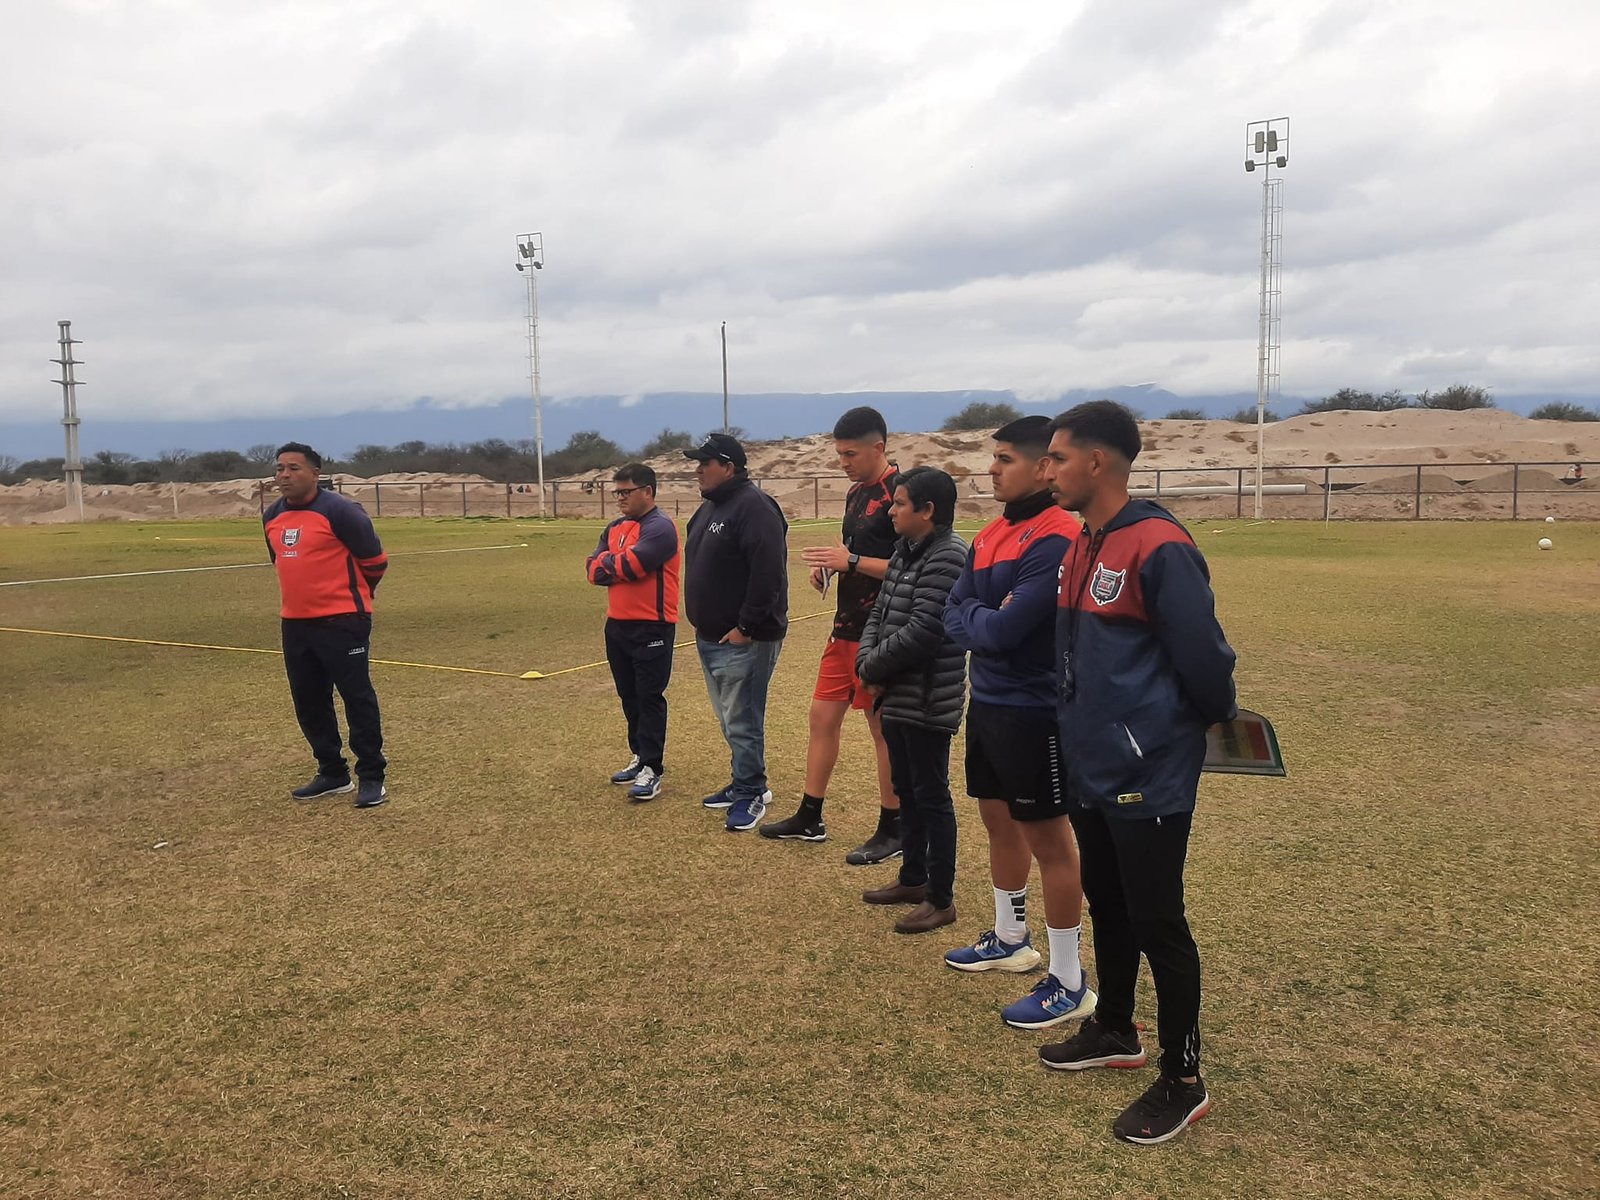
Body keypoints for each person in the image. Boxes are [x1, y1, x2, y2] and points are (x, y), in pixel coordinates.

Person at [1037, 401, 1237, 1146]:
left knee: (1158, 917)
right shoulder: (1084, 540)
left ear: (1098, 463)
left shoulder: (1159, 545)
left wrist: (1189, 725)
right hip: (1091, 759)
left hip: (1145, 764)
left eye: (1057, 458)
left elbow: (1206, 660)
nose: (1047, 469)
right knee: (1108, 899)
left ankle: (1184, 1079)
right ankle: (1116, 1028)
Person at [941, 417, 1096, 1030]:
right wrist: (983, 616)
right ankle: (1011, 939)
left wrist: (981, 618)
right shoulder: (986, 535)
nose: (992, 469)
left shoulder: (1058, 536)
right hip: (990, 704)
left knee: (1051, 842)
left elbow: (1006, 631)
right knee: (997, 820)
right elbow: (954, 615)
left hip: (1036, 710)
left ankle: (1069, 979)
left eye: (1004, 459)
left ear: (1042, 467)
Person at [760, 405, 902, 864]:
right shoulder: (856, 493)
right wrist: (830, 569)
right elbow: (855, 554)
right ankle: (810, 814)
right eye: (839, 454)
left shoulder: (903, 493)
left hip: (881, 633)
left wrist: (853, 563)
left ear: (878, 447)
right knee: (821, 720)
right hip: (843, 629)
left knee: (882, 732)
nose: (842, 462)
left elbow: (912, 570)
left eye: (851, 454)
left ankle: (893, 826)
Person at [856, 467, 968, 934]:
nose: (891, 509)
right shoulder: (904, 550)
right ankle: (912, 879)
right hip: (897, 693)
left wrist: (873, 668)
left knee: (931, 794)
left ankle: (941, 898)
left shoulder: (949, 555)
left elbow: (926, 630)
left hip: (926, 699)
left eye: (900, 503)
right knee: (908, 791)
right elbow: (880, 613)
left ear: (928, 510)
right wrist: (868, 663)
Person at [263, 442, 390, 809]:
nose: (284, 475)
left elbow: (375, 562)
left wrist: (355, 601)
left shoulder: (341, 512)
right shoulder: (272, 516)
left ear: (315, 474)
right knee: (309, 700)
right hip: (295, 623)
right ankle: (333, 773)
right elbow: (282, 564)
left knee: (356, 697)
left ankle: (372, 776)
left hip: (343, 621)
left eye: (293, 468)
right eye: (280, 468)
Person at [682, 433, 789, 832]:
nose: (697, 469)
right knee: (730, 719)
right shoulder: (710, 508)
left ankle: (750, 790)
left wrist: (746, 626)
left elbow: (768, 574)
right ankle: (744, 780)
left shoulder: (754, 507)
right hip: (710, 637)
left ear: (728, 467)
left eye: (704, 463)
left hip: (744, 639)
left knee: (742, 719)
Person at [587, 463, 681, 803]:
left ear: (648, 492)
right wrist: (612, 563)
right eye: (617, 492)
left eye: (626, 492)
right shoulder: (614, 527)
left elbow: (632, 565)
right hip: (617, 625)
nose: (620, 498)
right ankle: (639, 755)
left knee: (649, 696)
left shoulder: (661, 528)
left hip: (652, 626)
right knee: (629, 695)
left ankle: (652, 769)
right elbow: (592, 570)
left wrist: (612, 563)